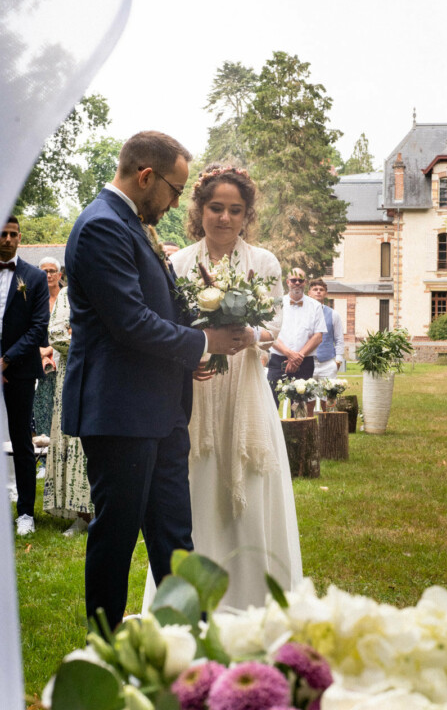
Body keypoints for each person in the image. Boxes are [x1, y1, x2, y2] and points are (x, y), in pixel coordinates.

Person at [62, 132, 245, 630]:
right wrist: (205, 346)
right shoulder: (102, 226)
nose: (175, 203)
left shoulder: (132, 223)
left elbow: (158, 306)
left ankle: (188, 644)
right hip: (120, 411)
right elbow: (130, 321)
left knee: (173, 537)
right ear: (146, 177)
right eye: (174, 190)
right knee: (116, 537)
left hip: (160, 410)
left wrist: (197, 338)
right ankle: (104, 646)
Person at [143, 164, 302, 611]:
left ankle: (253, 600)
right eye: (216, 208)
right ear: (199, 210)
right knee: (191, 487)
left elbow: (273, 325)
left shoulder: (264, 262)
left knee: (250, 488)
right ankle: (191, 600)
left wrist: (251, 336)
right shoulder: (177, 263)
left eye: (235, 210)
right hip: (196, 389)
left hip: (245, 391)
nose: (225, 218)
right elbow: (169, 328)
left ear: (246, 214)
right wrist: (189, 356)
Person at [0, 216, 50, 536]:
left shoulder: (33, 278)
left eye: (12, 234)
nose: (6, 239)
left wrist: (6, 360)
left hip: (17, 369)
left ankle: (26, 514)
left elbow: (37, 328)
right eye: (2, 234)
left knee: (21, 441)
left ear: (20, 238)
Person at [43, 286, 94, 536]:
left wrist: (82, 334)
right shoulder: (67, 294)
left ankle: (108, 512)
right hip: (72, 376)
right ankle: (82, 514)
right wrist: (95, 340)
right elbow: (57, 335)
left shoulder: (115, 284)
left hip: (109, 376)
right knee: (76, 443)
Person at [267, 267, 326, 408]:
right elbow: (269, 333)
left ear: (305, 282)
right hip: (278, 361)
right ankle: (272, 430)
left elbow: (318, 336)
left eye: (300, 280)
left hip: (304, 362)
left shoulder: (316, 306)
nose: (297, 283)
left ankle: (298, 430)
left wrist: (298, 356)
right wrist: (289, 354)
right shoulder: (276, 304)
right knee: (271, 403)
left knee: (300, 405)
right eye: (294, 280)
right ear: (288, 282)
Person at [33, 257, 62, 479]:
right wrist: (40, 353)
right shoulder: (35, 298)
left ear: (60, 275)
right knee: (42, 408)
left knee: (62, 410)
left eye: (52, 271)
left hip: (64, 358)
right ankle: (43, 460)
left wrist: (51, 349)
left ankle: (61, 459)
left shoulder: (68, 298)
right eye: (44, 271)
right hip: (41, 361)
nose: (48, 275)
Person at [308, 278, 345, 407]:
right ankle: (309, 426)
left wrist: (338, 361)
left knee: (329, 399)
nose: (318, 292)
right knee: (308, 399)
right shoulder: (303, 313)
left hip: (328, 363)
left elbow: (339, 339)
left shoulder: (334, 314)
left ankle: (328, 425)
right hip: (308, 362)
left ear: (326, 293)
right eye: (315, 289)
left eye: (321, 290)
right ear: (309, 293)